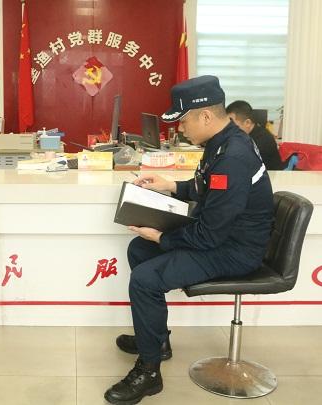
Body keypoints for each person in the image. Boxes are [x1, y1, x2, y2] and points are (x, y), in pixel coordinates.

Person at [104, 75, 274, 405]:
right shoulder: (221, 142)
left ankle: (149, 373)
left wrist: (162, 236)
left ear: (205, 116)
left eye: (183, 121)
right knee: (139, 249)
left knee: (145, 279)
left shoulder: (233, 156)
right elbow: (204, 188)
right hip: (224, 238)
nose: (180, 129)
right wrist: (170, 186)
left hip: (235, 250)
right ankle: (157, 341)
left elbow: (209, 234)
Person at [226, 100, 284, 170]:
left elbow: (239, 161)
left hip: (270, 175)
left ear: (247, 123)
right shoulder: (245, 136)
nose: (228, 127)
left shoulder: (263, 139)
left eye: (231, 123)